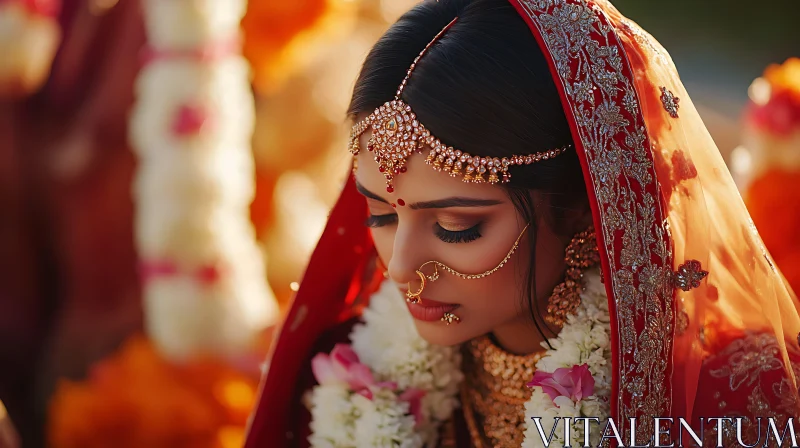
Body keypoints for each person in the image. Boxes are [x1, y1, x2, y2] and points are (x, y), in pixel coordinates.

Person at [245, 0, 800, 446]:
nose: (402, 269)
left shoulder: (728, 406)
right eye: (380, 215)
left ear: (585, 204)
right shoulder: (345, 375)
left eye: (457, 227)